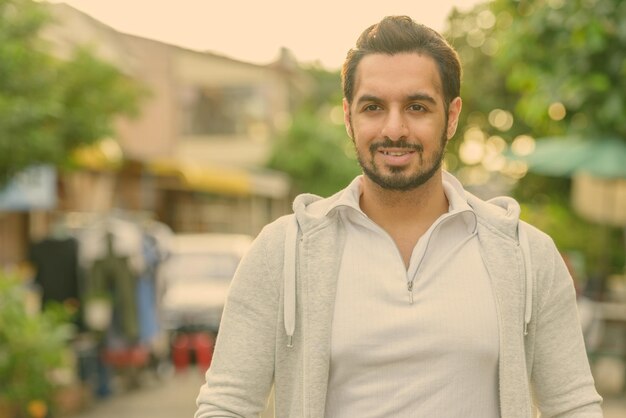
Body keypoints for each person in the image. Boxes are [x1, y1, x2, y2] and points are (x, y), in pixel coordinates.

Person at [195, 15, 602, 417]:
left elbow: (574, 406)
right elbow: (225, 405)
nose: (394, 128)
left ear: (453, 116)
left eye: (417, 107)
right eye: (373, 107)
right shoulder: (282, 251)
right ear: (349, 117)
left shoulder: (526, 254)